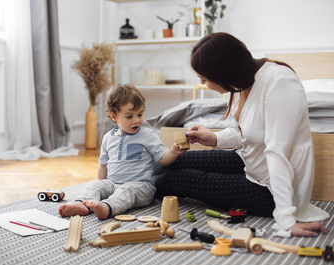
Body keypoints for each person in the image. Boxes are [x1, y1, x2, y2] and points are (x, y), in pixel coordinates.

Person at [156, 32, 329, 237]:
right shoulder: (247, 82)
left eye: (205, 78)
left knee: (173, 180)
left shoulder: (280, 83)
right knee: (175, 160)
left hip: (270, 190)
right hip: (250, 163)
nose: (204, 84)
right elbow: (250, 132)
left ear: (223, 72)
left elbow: (277, 154)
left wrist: (286, 219)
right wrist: (214, 138)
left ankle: (134, 190)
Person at [58, 84, 185, 220]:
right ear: (113, 116)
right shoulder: (108, 138)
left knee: (126, 191)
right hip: (113, 183)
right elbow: (102, 166)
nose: (137, 120)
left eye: (140, 114)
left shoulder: (148, 135)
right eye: (129, 116)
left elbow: (163, 158)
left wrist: (174, 152)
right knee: (94, 185)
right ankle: (82, 205)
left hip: (141, 186)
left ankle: (107, 207)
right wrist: (101, 187)